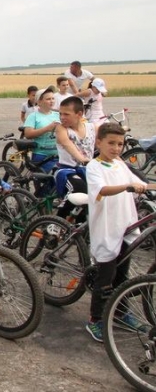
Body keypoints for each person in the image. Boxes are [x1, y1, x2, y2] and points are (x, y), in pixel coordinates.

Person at [84, 122, 153, 342]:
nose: (116, 148)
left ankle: (120, 313)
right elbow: (102, 190)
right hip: (107, 228)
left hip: (126, 226)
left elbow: (139, 183)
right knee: (106, 276)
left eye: (120, 144)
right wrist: (126, 187)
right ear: (99, 142)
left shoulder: (120, 165)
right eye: (111, 143)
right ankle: (95, 320)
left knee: (122, 275)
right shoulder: (94, 167)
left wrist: (146, 186)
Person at [54, 95, 97, 219]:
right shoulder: (61, 129)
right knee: (80, 190)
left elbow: (105, 144)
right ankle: (56, 225)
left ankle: (80, 228)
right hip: (66, 170)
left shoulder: (92, 127)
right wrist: (82, 159)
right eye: (60, 114)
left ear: (79, 114)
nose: (62, 117)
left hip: (87, 170)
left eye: (66, 114)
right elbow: (67, 144)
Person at [23, 86, 60, 173]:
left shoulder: (58, 115)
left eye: (53, 98)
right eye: (48, 99)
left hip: (58, 155)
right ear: (39, 102)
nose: (51, 101)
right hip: (41, 155)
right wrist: (47, 128)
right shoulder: (33, 116)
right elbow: (28, 134)